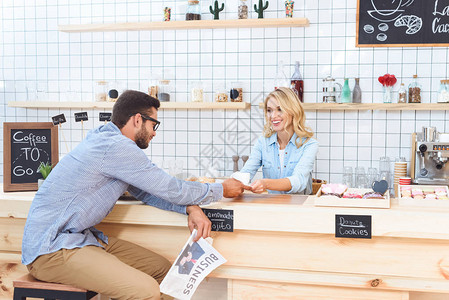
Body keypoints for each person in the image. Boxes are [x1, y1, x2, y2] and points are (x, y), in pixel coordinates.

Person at [21, 90, 245, 300]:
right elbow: (171, 188)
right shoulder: (117, 146)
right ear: (137, 120)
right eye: (154, 124)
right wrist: (222, 189)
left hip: (79, 240)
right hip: (51, 250)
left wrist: (189, 207)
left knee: (165, 273)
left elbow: (149, 192)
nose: (155, 132)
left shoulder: (107, 139)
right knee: (146, 290)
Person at [240, 87, 318, 194]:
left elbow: (298, 181)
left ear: (293, 111)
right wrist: (232, 182)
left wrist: (266, 183)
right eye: (269, 110)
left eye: (279, 109)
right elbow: (246, 172)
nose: (273, 116)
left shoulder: (309, 144)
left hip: (300, 206)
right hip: (272, 205)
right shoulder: (263, 142)